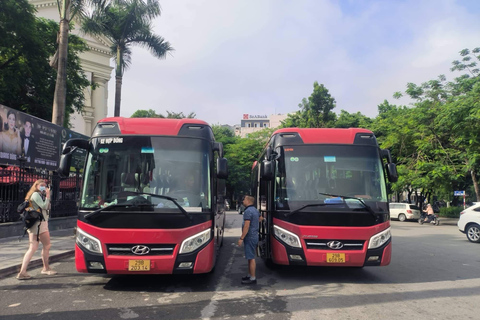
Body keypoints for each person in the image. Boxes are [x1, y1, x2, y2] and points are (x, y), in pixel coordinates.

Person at [16, 179, 57, 280]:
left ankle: (23, 271)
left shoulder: (35, 195)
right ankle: (45, 268)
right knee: (47, 245)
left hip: (36, 224)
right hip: (40, 224)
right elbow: (44, 206)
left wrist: (47, 197)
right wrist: (48, 196)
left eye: (45, 186)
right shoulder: (36, 195)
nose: (44, 187)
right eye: (41, 185)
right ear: (36, 186)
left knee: (33, 247)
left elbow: (47, 207)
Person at [237, 195, 263, 285]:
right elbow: (261, 218)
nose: (243, 201)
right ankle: (249, 275)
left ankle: (252, 278)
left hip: (249, 237)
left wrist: (241, 238)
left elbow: (246, 226)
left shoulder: (248, 211)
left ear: (248, 201)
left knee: (251, 258)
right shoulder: (255, 210)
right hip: (254, 236)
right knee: (249, 257)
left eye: (244, 199)